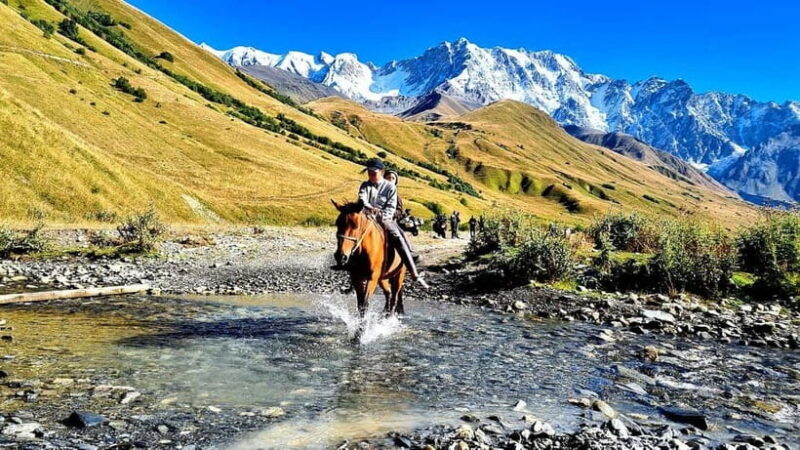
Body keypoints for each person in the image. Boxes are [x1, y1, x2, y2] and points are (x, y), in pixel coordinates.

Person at [358, 160, 428, 289]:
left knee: (396, 236)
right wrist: (369, 209)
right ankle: (347, 263)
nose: (371, 175)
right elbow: (362, 199)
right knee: (350, 231)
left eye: (374, 172)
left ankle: (413, 271)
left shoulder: (391, 187)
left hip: (385, 219)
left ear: (381, 172)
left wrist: (381, 216)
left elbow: (391, 207)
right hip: (366, 216)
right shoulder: (364, 185)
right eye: (369, 172)